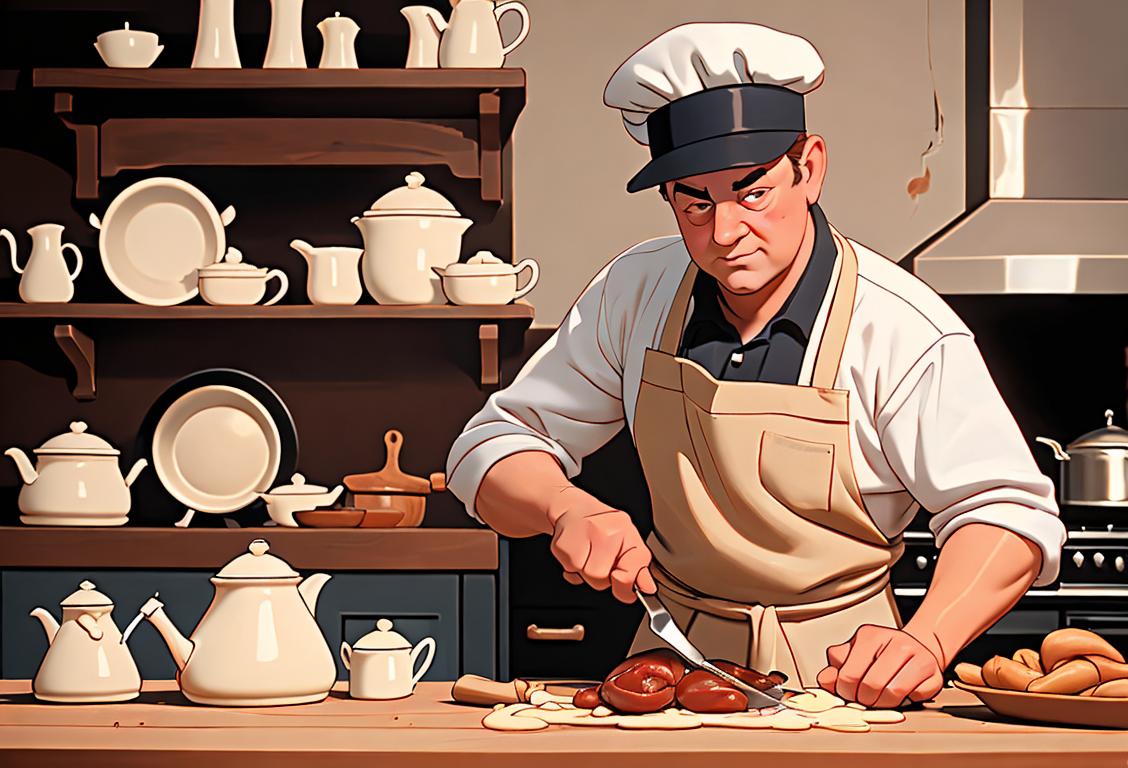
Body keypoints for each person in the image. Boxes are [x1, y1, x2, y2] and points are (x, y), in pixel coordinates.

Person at [445, 22, 1065, 709]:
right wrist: (565, 507)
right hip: (670, 672)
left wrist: (927, 640)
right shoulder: (635, 291)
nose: (725, 231)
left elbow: (1009, 513)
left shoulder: (901, 328)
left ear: (810, 168)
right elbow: (488, 447)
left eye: (752, 192)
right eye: (695, 202)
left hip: (843, 684)